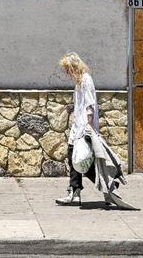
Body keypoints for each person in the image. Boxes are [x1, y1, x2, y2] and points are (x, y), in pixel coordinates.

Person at [54, 52, 133, 209]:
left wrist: (89, 127)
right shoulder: (79, 81)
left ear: (74, 67)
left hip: (84, 128)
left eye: (68, 69)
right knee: (76, 159)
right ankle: (77, 191)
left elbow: (89, 105)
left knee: (82, 161)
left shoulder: (86, 80)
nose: (67, 73)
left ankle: (104, 186)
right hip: (78, 127)